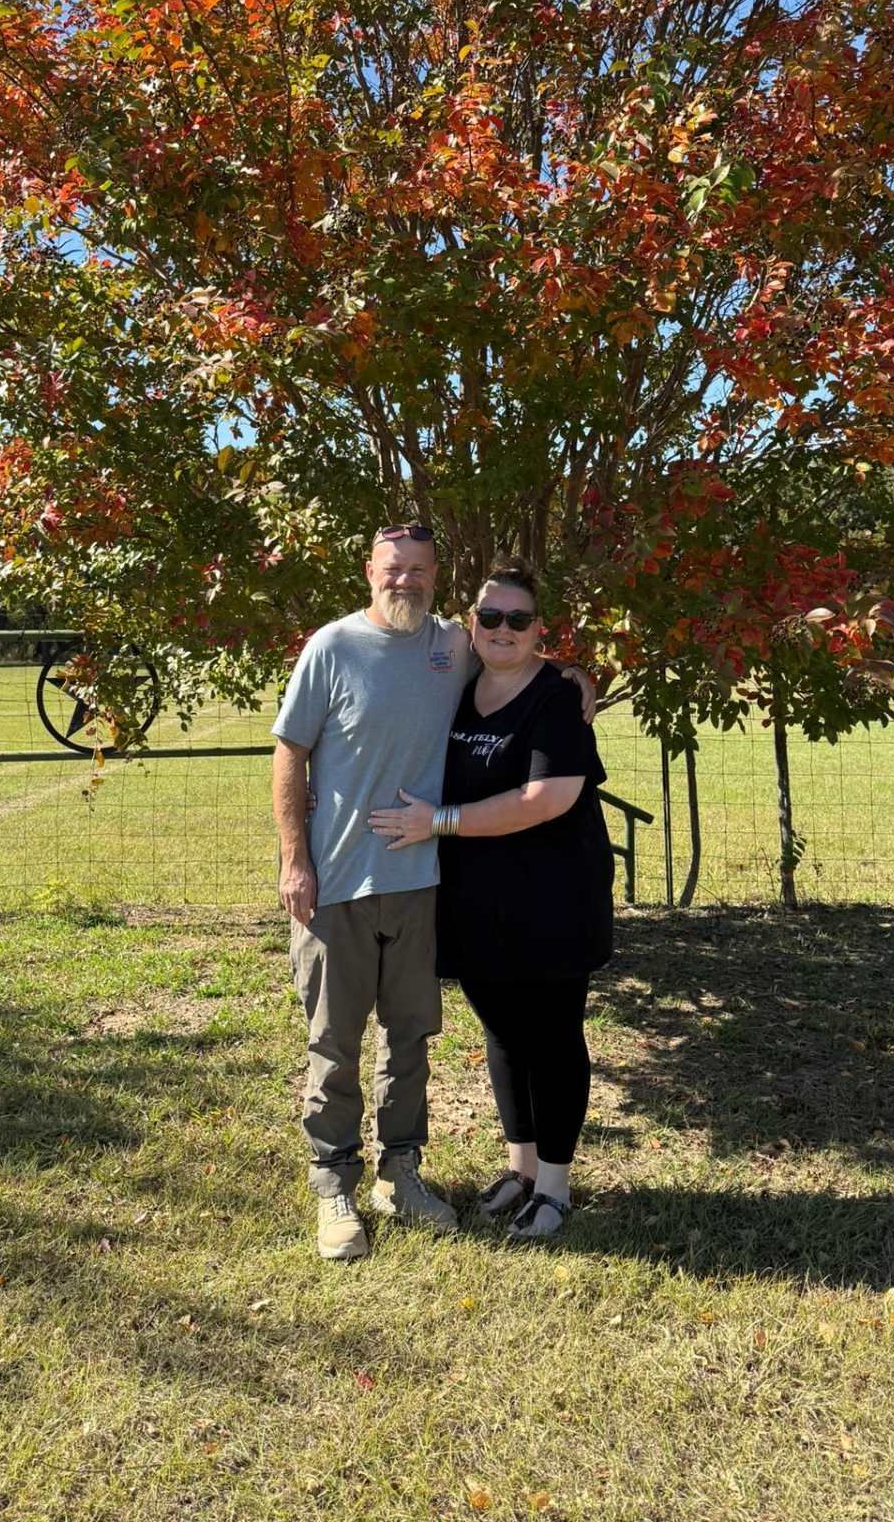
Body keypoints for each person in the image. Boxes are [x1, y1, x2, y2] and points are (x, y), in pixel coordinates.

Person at [272, 526, 593, 1261]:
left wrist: (575, 673)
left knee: (410, 1039)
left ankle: (401, 1173)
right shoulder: (333, 647)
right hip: (339, 883)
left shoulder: (451, 647)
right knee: (333, 1041)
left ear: (437, 577)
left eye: (420, 571)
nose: (406, 582)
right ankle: (334, 1187)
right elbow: (289, 753)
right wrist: (296, 861)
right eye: (394, 569)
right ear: (370, 571)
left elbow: (527, 664)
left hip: (422, 887)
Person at [368, 559, 613, 1240]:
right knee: (503, 1032)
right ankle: (521, 1168)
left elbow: (548, 799)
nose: (503, 629)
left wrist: (438, 821)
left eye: (519, 619)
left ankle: (556, 1188)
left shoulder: (556, 697)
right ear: (469, 622)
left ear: (540, 630)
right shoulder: (460, 685)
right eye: (490, 616)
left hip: (554, 899)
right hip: (477, 900)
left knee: (553, 1036)